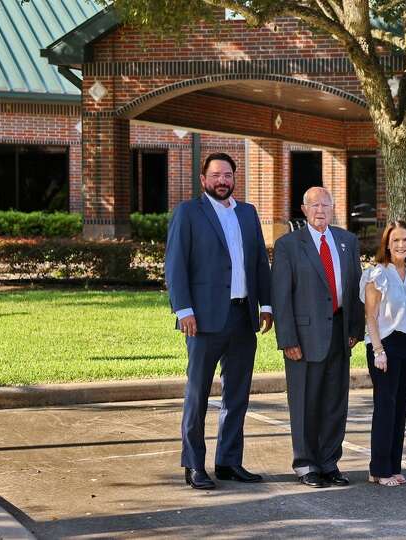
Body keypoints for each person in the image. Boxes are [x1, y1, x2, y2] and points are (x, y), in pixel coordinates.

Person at [164, 152, 273, 490]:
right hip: (203, 319)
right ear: (203, 179)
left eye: (227, 175)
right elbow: (175, 264)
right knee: (197, 395)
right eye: (216, 175)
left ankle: (228, 461)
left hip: (243, 316)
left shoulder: (248, 213)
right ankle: (194, 465)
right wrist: (184, 310)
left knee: (237, 395)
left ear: (234, 177)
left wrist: (266, 305)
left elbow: (258, 263)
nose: (222, 181)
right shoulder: (188, 213)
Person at [271, 186, 365, 488]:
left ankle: (329, 462)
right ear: (304, 209)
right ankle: (306, 464)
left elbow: (355, 288)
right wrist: (287, 339)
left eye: (326, 205)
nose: (320, 210)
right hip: (304, 336)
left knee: (335, 403)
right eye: (314, 206)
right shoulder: (288, 245)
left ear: (334, 207)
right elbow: (281, 296)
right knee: (305, 403)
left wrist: (355, 328)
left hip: (340, 333)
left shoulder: (347, 242)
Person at [361, 221, 406, 487]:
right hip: (385, 346)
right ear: (387, 245)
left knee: (400, 408)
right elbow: (371, 316)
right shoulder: (377, 274)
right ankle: (378, 470)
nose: (401, 245)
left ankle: (393, 466)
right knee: (385, 408)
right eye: (396, 240)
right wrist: (378, 350)